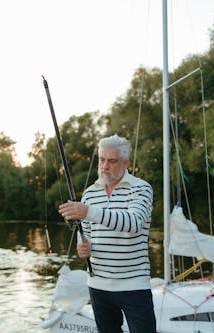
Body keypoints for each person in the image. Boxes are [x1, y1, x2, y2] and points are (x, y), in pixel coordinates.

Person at [58, 134, 156, 333]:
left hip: (134, 285)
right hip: (98, 285)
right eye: (102, 160)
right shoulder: (90, 193)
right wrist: (83, 244)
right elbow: (86, 232)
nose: (104, 166)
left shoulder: (141, 188)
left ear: (125, 162)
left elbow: (134, 222)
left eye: (111, 161)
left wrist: (89, 211)